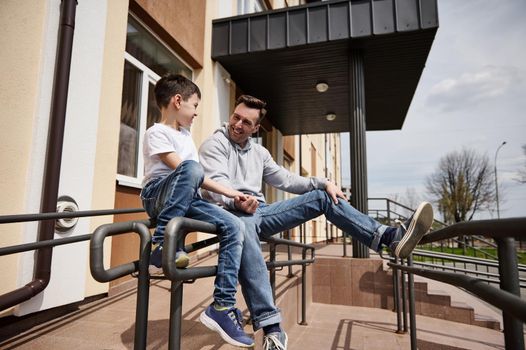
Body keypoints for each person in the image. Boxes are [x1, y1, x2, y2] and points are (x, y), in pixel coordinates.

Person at [199, 94, 434, 350]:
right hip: (230, 213)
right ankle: (272, 329)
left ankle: (387, 237)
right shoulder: (215, 144)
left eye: (246, 122)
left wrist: (324, 182)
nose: (238, 124)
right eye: (236, 117)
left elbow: (286, 180)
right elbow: (217, 187)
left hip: (260, 212)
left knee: (323, 197)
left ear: (256, 128)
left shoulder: (260, 152)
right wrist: (237, 202)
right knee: (244, 227)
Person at [140, 75, 255, 347]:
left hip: (186, 196)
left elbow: (195, 179)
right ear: (177, 101)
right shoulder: (156, 132)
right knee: (192, 168)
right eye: (194, 106)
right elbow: (185, 170)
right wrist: (198, 177)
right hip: (157, 194)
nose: (196, 113)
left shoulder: (185, 136)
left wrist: (232, 193)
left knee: (234, 225)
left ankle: (222, 307)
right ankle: (161, 243)